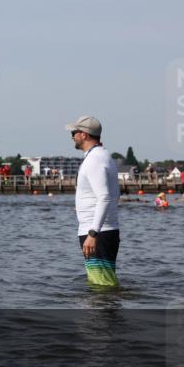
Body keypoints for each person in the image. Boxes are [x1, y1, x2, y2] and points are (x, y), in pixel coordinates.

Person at [66, 116, 121, 287]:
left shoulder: (94, 160)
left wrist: (93, 233)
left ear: (84, 134)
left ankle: (104, 314)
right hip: (102, 230)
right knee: (103, 283)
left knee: (102, 286)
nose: (72, 136)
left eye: (74, 133)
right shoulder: (102, 156)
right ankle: (106, 312)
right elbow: (115, 194)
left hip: (97, 232)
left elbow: (105, 197)